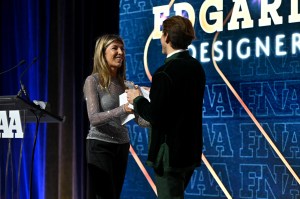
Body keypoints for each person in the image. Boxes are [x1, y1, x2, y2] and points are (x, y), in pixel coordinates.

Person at [126, 16, 206, 199]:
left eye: (162, 35)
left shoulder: (165, 72)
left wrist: (137, 99)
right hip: (189, 152)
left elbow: (156, 116)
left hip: (168, 154)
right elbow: (179, 104)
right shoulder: (196, 68)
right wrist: (155, 93)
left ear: (167, 37)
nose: (161, 39)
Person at [83, 34, 134, 199]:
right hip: (99, 145)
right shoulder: (93, 81)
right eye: (115, 48)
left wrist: (146, 103)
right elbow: (94, 118)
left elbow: (141, 120)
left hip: (122, 145)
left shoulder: (127, 85)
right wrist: (123, 109)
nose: (120, 52)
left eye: (122, 49)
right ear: (102, 53)